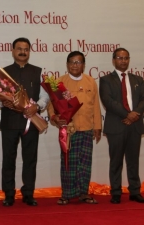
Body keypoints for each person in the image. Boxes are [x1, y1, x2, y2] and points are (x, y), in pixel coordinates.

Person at [0, 37, 49, 207]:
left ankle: (28, 194)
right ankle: (9, 195)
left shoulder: (37, 72)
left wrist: (37, 107)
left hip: (31, 121)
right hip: (9, 122)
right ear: (12, 51)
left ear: (29, 51)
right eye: (19, 48)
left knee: (30, 159)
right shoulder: (3, 73)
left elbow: (45, 96)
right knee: (8, 159)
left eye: (26, 49)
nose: (22, 52)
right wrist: (1, 102)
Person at [48, 51, 102, 205]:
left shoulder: (91, 81)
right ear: (67, 64)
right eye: (71, 62)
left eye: (78, 62)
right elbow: (51, 105)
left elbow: (96, 106)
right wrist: (54, 117)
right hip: (69, 130)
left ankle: (83, 193)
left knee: (85, 163)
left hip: (86, 129)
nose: (74, 65)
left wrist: (97, 127)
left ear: (84, 65)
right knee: (68, 163)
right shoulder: (59, 82)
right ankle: (66, 194)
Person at [99, 48, 144, 204]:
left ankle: (135, 191)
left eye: (126, 58)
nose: (123, 61)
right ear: (114, 60)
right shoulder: (106, 80)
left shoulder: (137, 80)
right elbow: (108, 101)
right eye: (120, 58)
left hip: (134, 126)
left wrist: (134, 115)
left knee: (133, 161)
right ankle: (115, 192)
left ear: (129, 60)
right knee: (116, 161)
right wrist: (127, 114)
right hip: (116, 126)